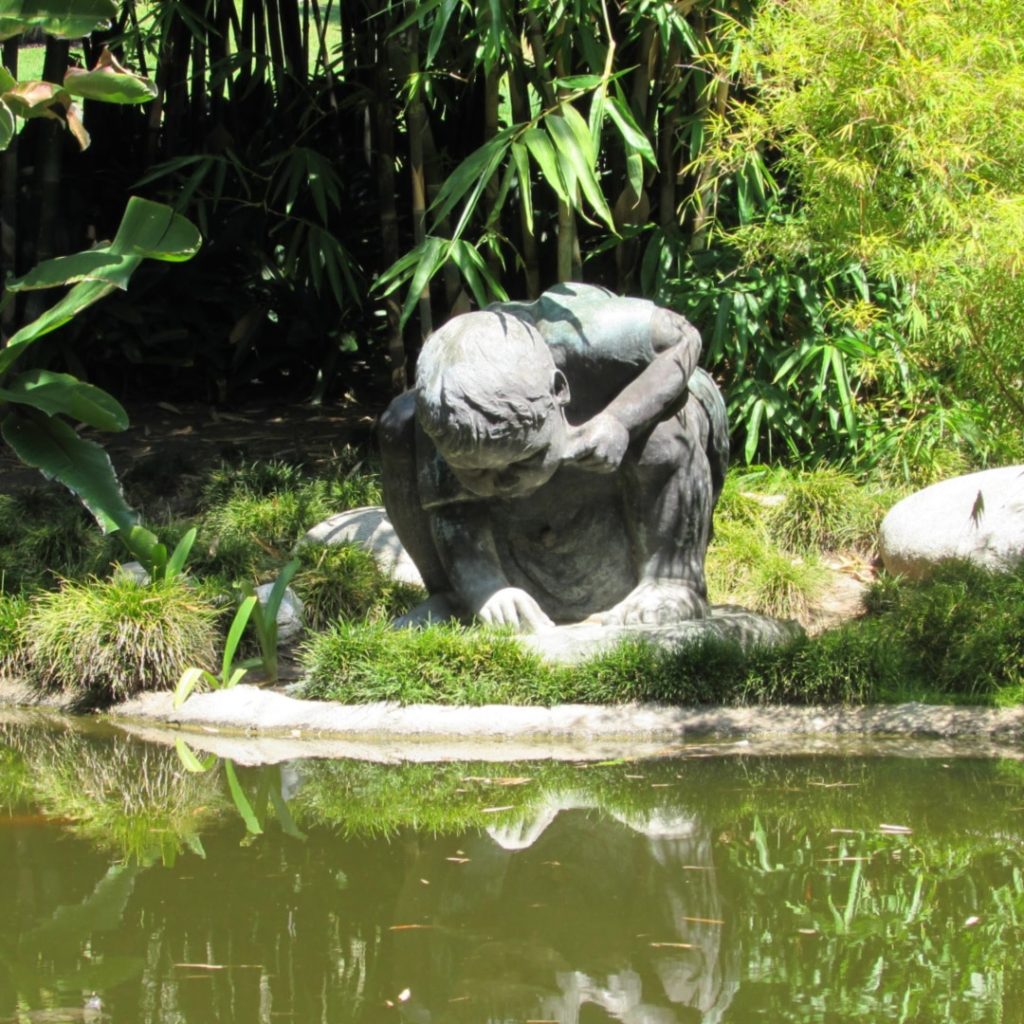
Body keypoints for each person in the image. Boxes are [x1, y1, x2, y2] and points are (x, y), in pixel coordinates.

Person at [378, 282, 728, 631]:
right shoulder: (440, 407)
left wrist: (620, 420)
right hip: (517, 523)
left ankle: (672, 580)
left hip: (624, 465)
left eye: (522, 461)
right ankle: (449, 595)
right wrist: (485, 590)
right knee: (398, 426)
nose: (504, 483)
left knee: (673, 415)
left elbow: (685, 337)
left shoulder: (591, 337)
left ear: (559, 390)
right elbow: (451, 510)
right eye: (478, 472)